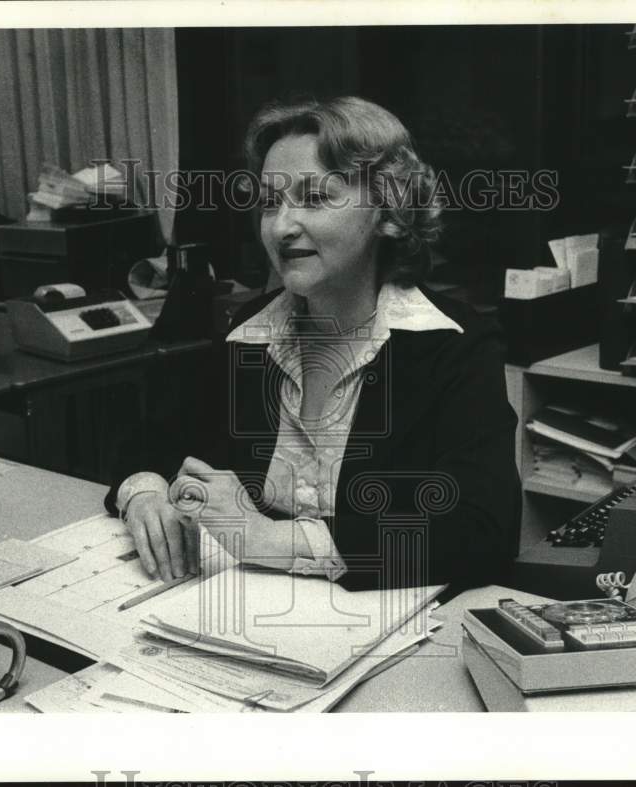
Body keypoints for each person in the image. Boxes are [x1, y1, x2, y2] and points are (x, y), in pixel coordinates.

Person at [105, 96, 520, 598]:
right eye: (270, 202)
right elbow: (152, 442)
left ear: (388, 213)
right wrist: (144, 494)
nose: (281, 226)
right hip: (252, 608)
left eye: (315, 198)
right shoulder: (249, 332)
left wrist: (269, 539)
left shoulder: (454, 346)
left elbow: (482, 529)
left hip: (394, 624)